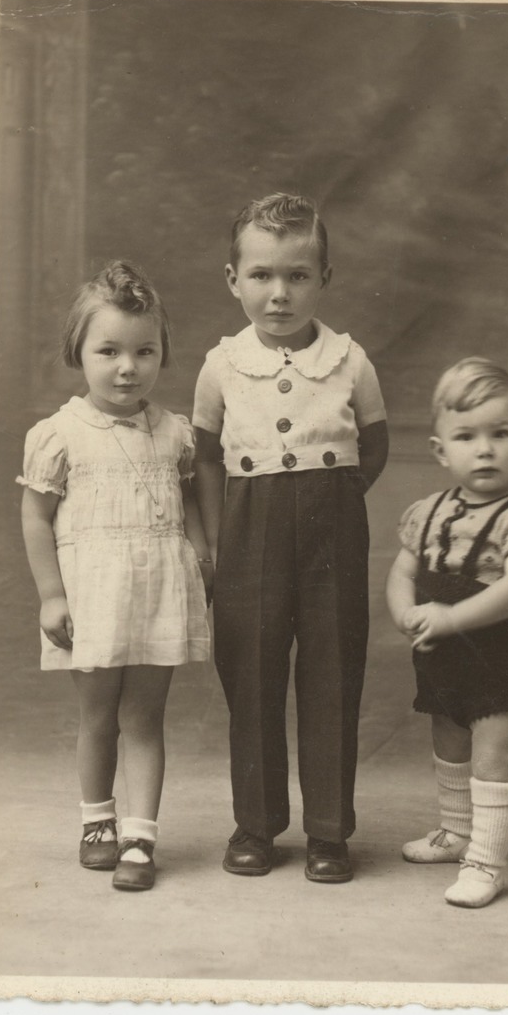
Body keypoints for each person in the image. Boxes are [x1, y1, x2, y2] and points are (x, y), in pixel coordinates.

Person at [193, 193, 388, 883]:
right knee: (250, 675)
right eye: (262, 276)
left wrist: (330, 504)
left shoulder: (349, 361)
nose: (279, 294)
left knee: (333, 674)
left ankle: (329, 832)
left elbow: (374, 445)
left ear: (324, 279)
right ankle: (255, 826)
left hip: (331, 532)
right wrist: (217, 546)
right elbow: (207, 459)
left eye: (297, 276)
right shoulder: (220, 366)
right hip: (248, 535)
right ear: (233, 279)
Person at [17, 261, 212, 892]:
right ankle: (97, 821)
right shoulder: (59, 434)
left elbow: (188, 501)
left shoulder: (175, 434)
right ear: (79, 352)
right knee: (99, 715)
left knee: (146, 718)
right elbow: (36, 516)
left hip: (159, 592)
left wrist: (202, 556)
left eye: (143, 351)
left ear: (161, 354)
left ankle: (140, 836)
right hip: (93, 597)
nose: (127, 367)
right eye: (109, 351)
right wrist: (51, 594)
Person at [386, 357, 508, 907]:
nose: (484, 449)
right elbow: (403, 572)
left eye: (500, 434)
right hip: (445, 657)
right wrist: (405, 611)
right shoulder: (427, 512)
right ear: (440, 449)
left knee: (494, 759)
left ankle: (486, 861)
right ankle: (456, 831)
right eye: (467, 436)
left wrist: (452, 617)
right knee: (450, 743)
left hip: (502, 661)